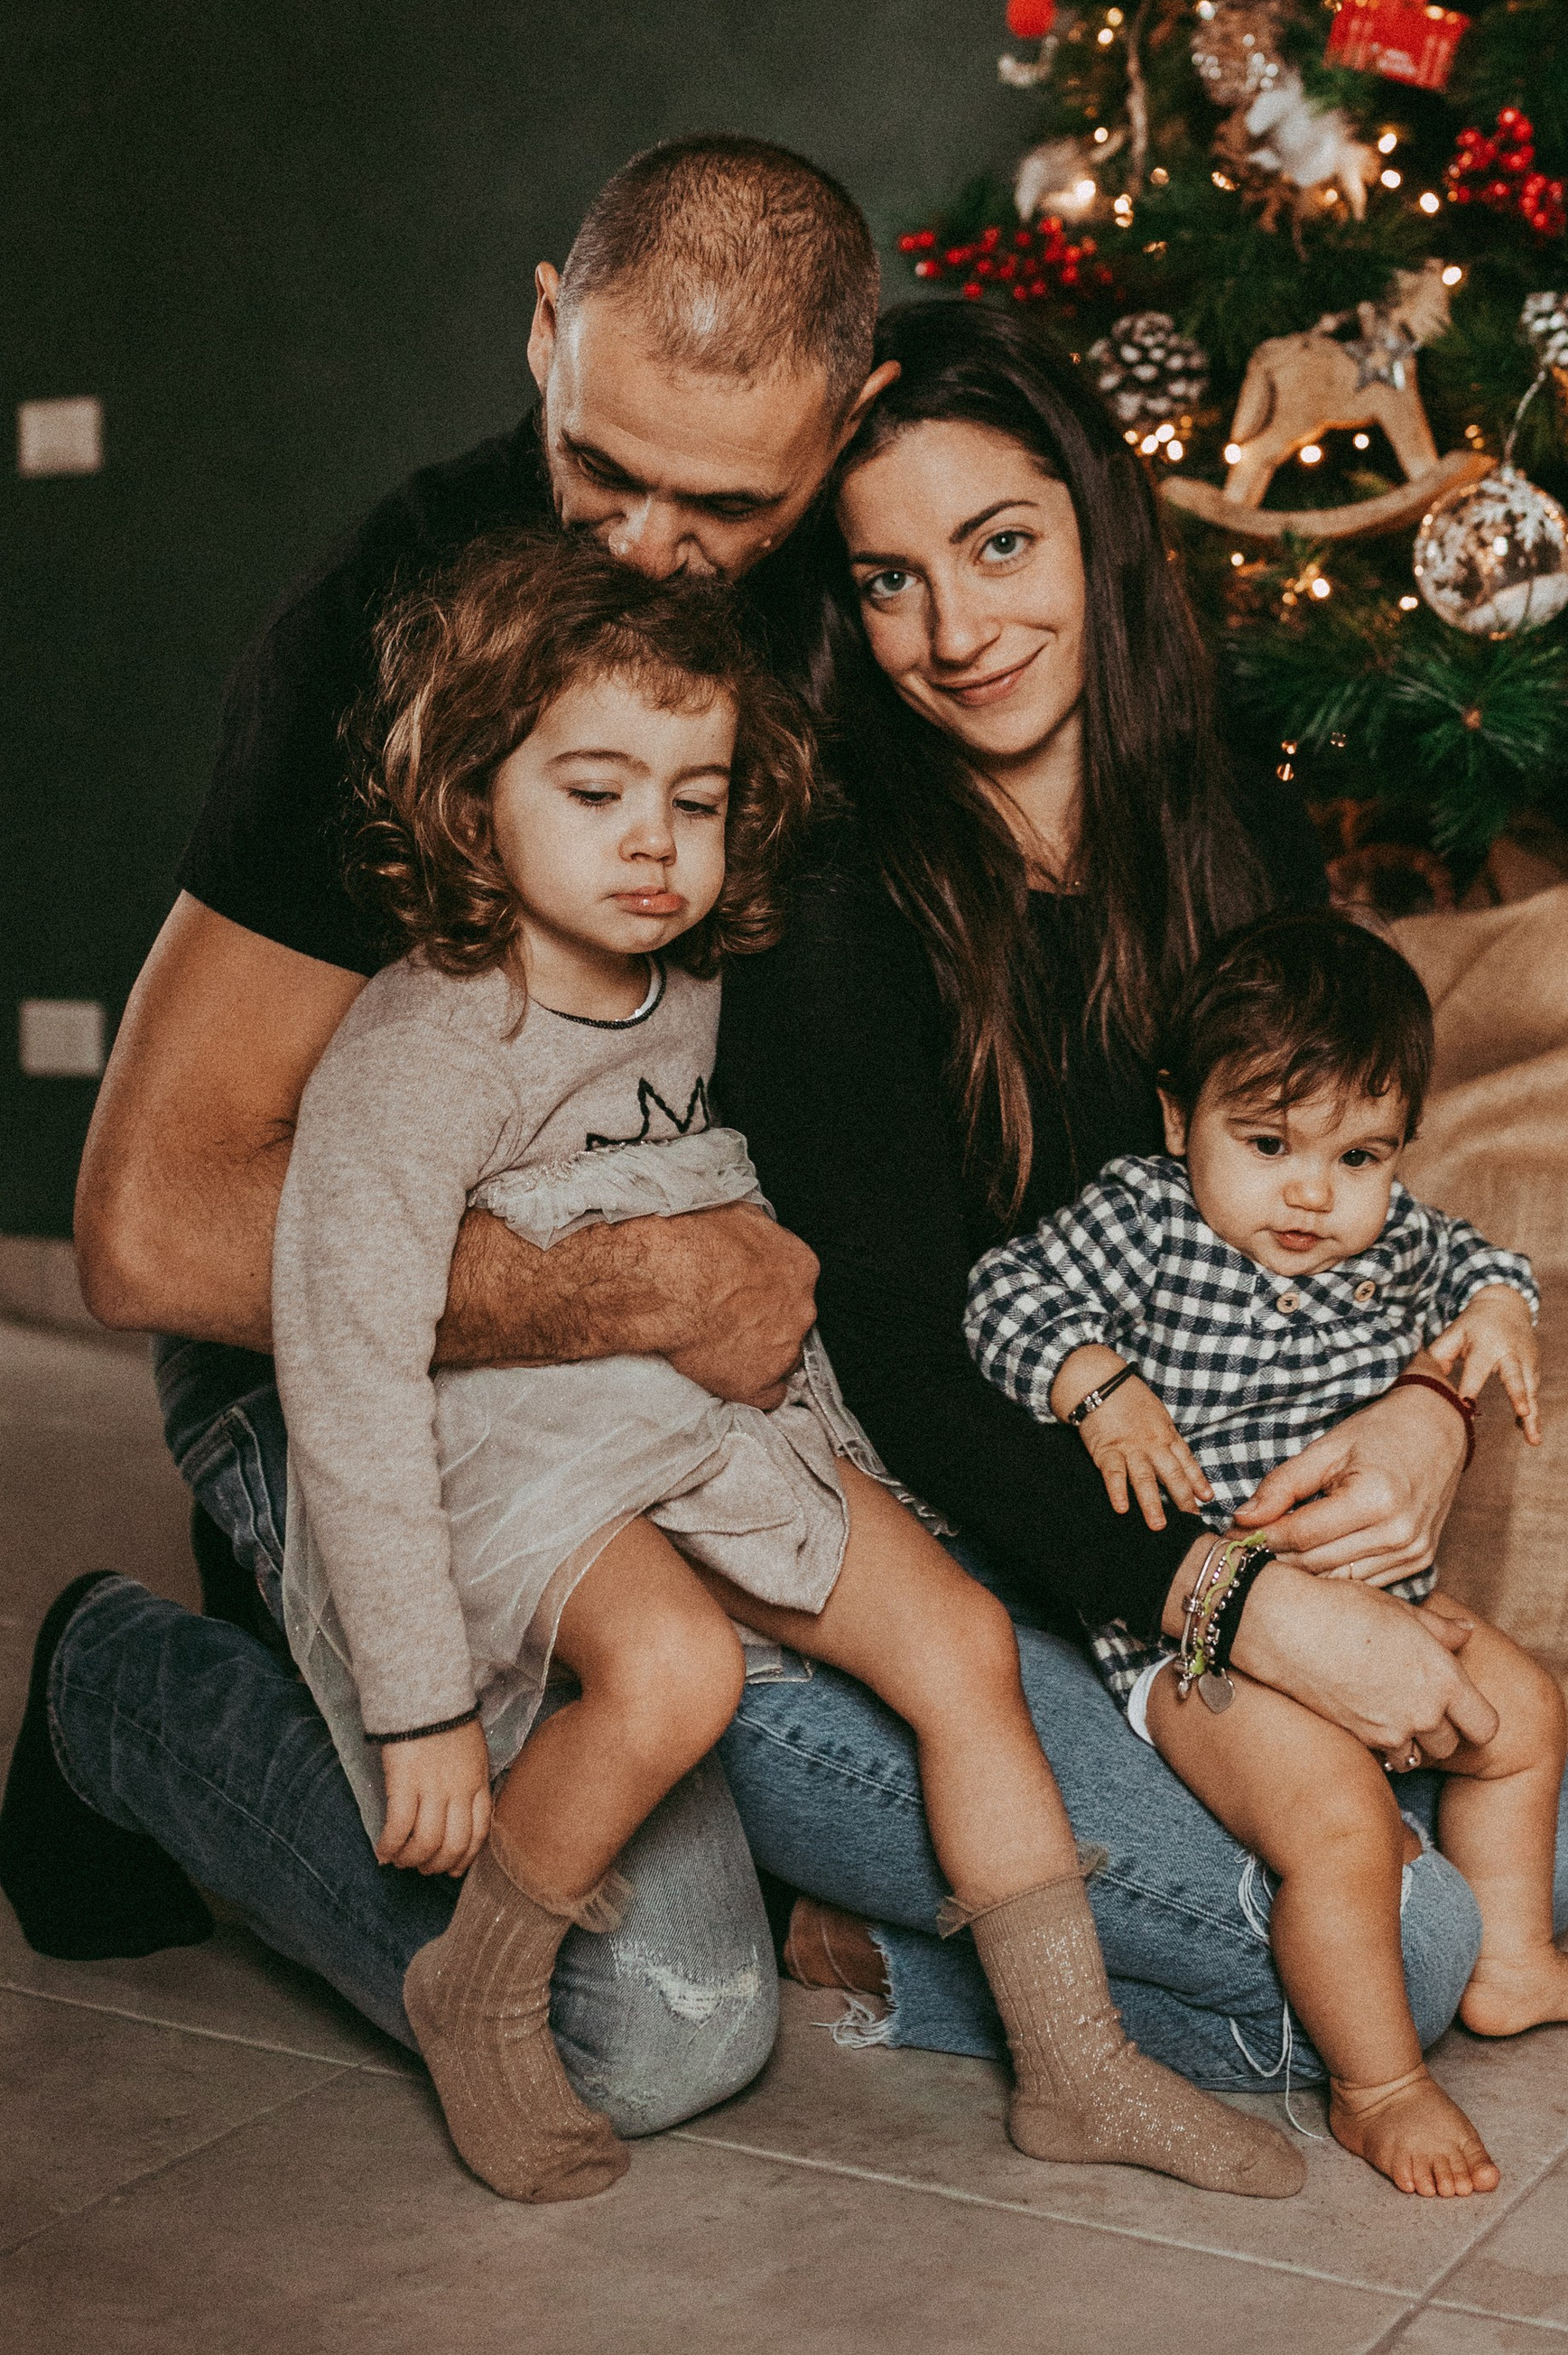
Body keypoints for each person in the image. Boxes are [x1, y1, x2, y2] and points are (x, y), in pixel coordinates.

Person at [0, 136, 890, 2130]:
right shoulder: (383, 633)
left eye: (726, 501)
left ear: (845, 432)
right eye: (602, 467)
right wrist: (635, 1287)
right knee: (648, 2032)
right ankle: (120, 1697)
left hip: (687, 1390)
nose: (651, 544)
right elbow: (144, 1226)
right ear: (543, 330)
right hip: (357, 1372)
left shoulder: (885, 599)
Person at [274, 527, 1300, 2206]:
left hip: (715, 1414)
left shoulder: (694, 986)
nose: (653, 847)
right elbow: (348, 1364)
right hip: (523, 1443)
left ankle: (1074, 2060)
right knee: (669, 1675)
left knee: (962, 1645)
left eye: (696, 799)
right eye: (597, 793)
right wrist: (425, 1712)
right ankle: (476, 1977)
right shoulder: (424, 1044)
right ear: (476, 796)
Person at [709, 299, 1568, 2090]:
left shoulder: (1224, 818)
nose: (956, 633)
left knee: (1545, 1844)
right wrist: (1242, 1607)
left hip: (1166, 1537)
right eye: (887, 583)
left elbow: (1321, 1176)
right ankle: (822, 1914)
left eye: (999, 545)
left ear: (1095, 527)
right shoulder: (827, 900)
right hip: (926, 1556)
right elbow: (899, 1361)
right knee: (1408, 1948)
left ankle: (946, 1918)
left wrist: (1428, 1409)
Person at [964, 905, 1568, 2198]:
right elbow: (1001, 1296)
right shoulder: (1144, 1219)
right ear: (1179, 1119)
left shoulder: (1392, 1243)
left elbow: (1484, 1260)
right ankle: (1378, 2089)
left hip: (1378, 1601)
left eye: (1362, 1156)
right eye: (1267, 1145)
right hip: (1195, 1638)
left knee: (1531, 1718)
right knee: (1336, 1828)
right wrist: (1094, 1378)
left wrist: (1498, 1317)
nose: (1313, 1195)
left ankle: (1508, 1967)